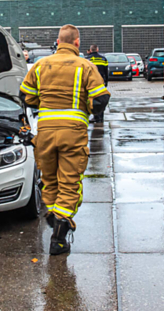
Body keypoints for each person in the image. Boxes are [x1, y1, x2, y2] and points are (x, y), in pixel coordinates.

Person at [20, 24, 110, 254]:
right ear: (77, 43)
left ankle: (54, 214)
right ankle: (59, 237)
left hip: (46, 132)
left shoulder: (40, 65)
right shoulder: (86, 66)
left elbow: (25, 96)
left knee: (50, 181)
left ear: (58, 42)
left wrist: (44, 104)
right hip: (73, 133)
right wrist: (86, 107)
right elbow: (100, 99)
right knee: (70, 183)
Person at [84, 44, 109, 125]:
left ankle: (95, 116)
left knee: (91, 100)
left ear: (90, 50)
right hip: (101, 82)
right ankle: (100, 117)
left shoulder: (87, 59)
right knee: (100, 100)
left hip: (90, 83)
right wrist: (106, 82)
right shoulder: (103, 59)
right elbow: (106, 72)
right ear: (97, 50)